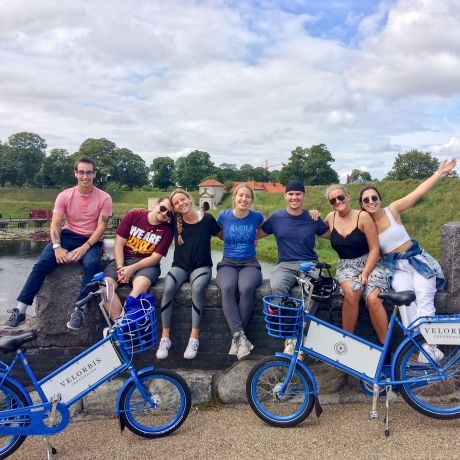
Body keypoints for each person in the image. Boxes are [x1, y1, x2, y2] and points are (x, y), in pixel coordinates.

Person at [359, 158, 457, 362]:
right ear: (361, 204)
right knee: (405, 304)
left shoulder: (392, 210)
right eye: (366, 200)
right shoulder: (365, 224)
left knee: (424, 298)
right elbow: (340, 223)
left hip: (416, 261)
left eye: (373, 197)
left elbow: (418, 193)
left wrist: (438, 172)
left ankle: (430, 349)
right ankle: (419, 346)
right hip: (396, 268)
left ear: (379, 198)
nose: (370, 202)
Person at [4, 157, 112, 329]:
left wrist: (85, 247)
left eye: (89, 172)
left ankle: (79, 309)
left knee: (93, 264)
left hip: (90, 239)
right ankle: (20, 310)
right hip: (67, 236)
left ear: (94, 174)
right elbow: (55, 223)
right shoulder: (65, 195)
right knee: (41, 265)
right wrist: (57, 247)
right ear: (75, 173)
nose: (85, 176)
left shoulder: (104, 198)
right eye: (81, 172)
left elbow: (101, 227)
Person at [258, 180, 330, 354]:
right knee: (277, 288)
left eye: (298, 194)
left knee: (315, 289)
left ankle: (301, 335)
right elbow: (256, 233)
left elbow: (332, 234)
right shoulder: (276, 217)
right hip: (285, 264)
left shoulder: (312, 218)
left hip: (310, 262)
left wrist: (331, 216)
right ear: (285, 196)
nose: (294, 197)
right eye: (290, 194)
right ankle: (290, 336)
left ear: (304, 196)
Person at [156, 189, 220, 360]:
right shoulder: (175, 220)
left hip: (202, 266)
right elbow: (156, 217)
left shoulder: (207, 219)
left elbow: (224, 235)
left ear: (190, 199)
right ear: (175, 208)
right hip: (180, 266)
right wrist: (136, 212)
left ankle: (193, 338)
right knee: (168, 288)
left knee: (197, 289)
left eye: (182, 200)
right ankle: (165, 338)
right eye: (176, 203)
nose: (180, 204)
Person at [324, 185, 388, 344]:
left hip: (370, 263)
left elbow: (374, 248)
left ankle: (385, 346)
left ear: (347, 196)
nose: (338, 201)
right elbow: (315, 228)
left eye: (340, 197)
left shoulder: (363, 217)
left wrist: (365, 273)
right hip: (346, 265)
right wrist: (312, 214)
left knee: (373, 299)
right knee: (353, 292)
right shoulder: (330, 217)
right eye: (333, 200)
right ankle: (346, 342)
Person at [102, 198, 174, 320]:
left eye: (169, 214)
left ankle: (124, 324)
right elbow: (119, 244)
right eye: (162, 208)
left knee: (141, 285)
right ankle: (118, 324)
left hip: (147, 265)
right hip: (124, 259)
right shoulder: (133, 215)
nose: (164, 214)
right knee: (105, 287)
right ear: (156, 204)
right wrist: (120, 267)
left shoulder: (167, 230)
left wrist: (131, 269)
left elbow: (155, 258)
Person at [216, 184, 264, 360]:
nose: (244, 199)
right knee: (227, 288)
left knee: (246, 289)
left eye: (248, 197)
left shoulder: (257, 217)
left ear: (251, 200)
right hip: (227, 262)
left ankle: (237, 337)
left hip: (250, 264)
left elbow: (264, 230)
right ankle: (240, 337)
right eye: (240, 196)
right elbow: (216, 232)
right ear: (234, 197)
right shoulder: (223, 216)